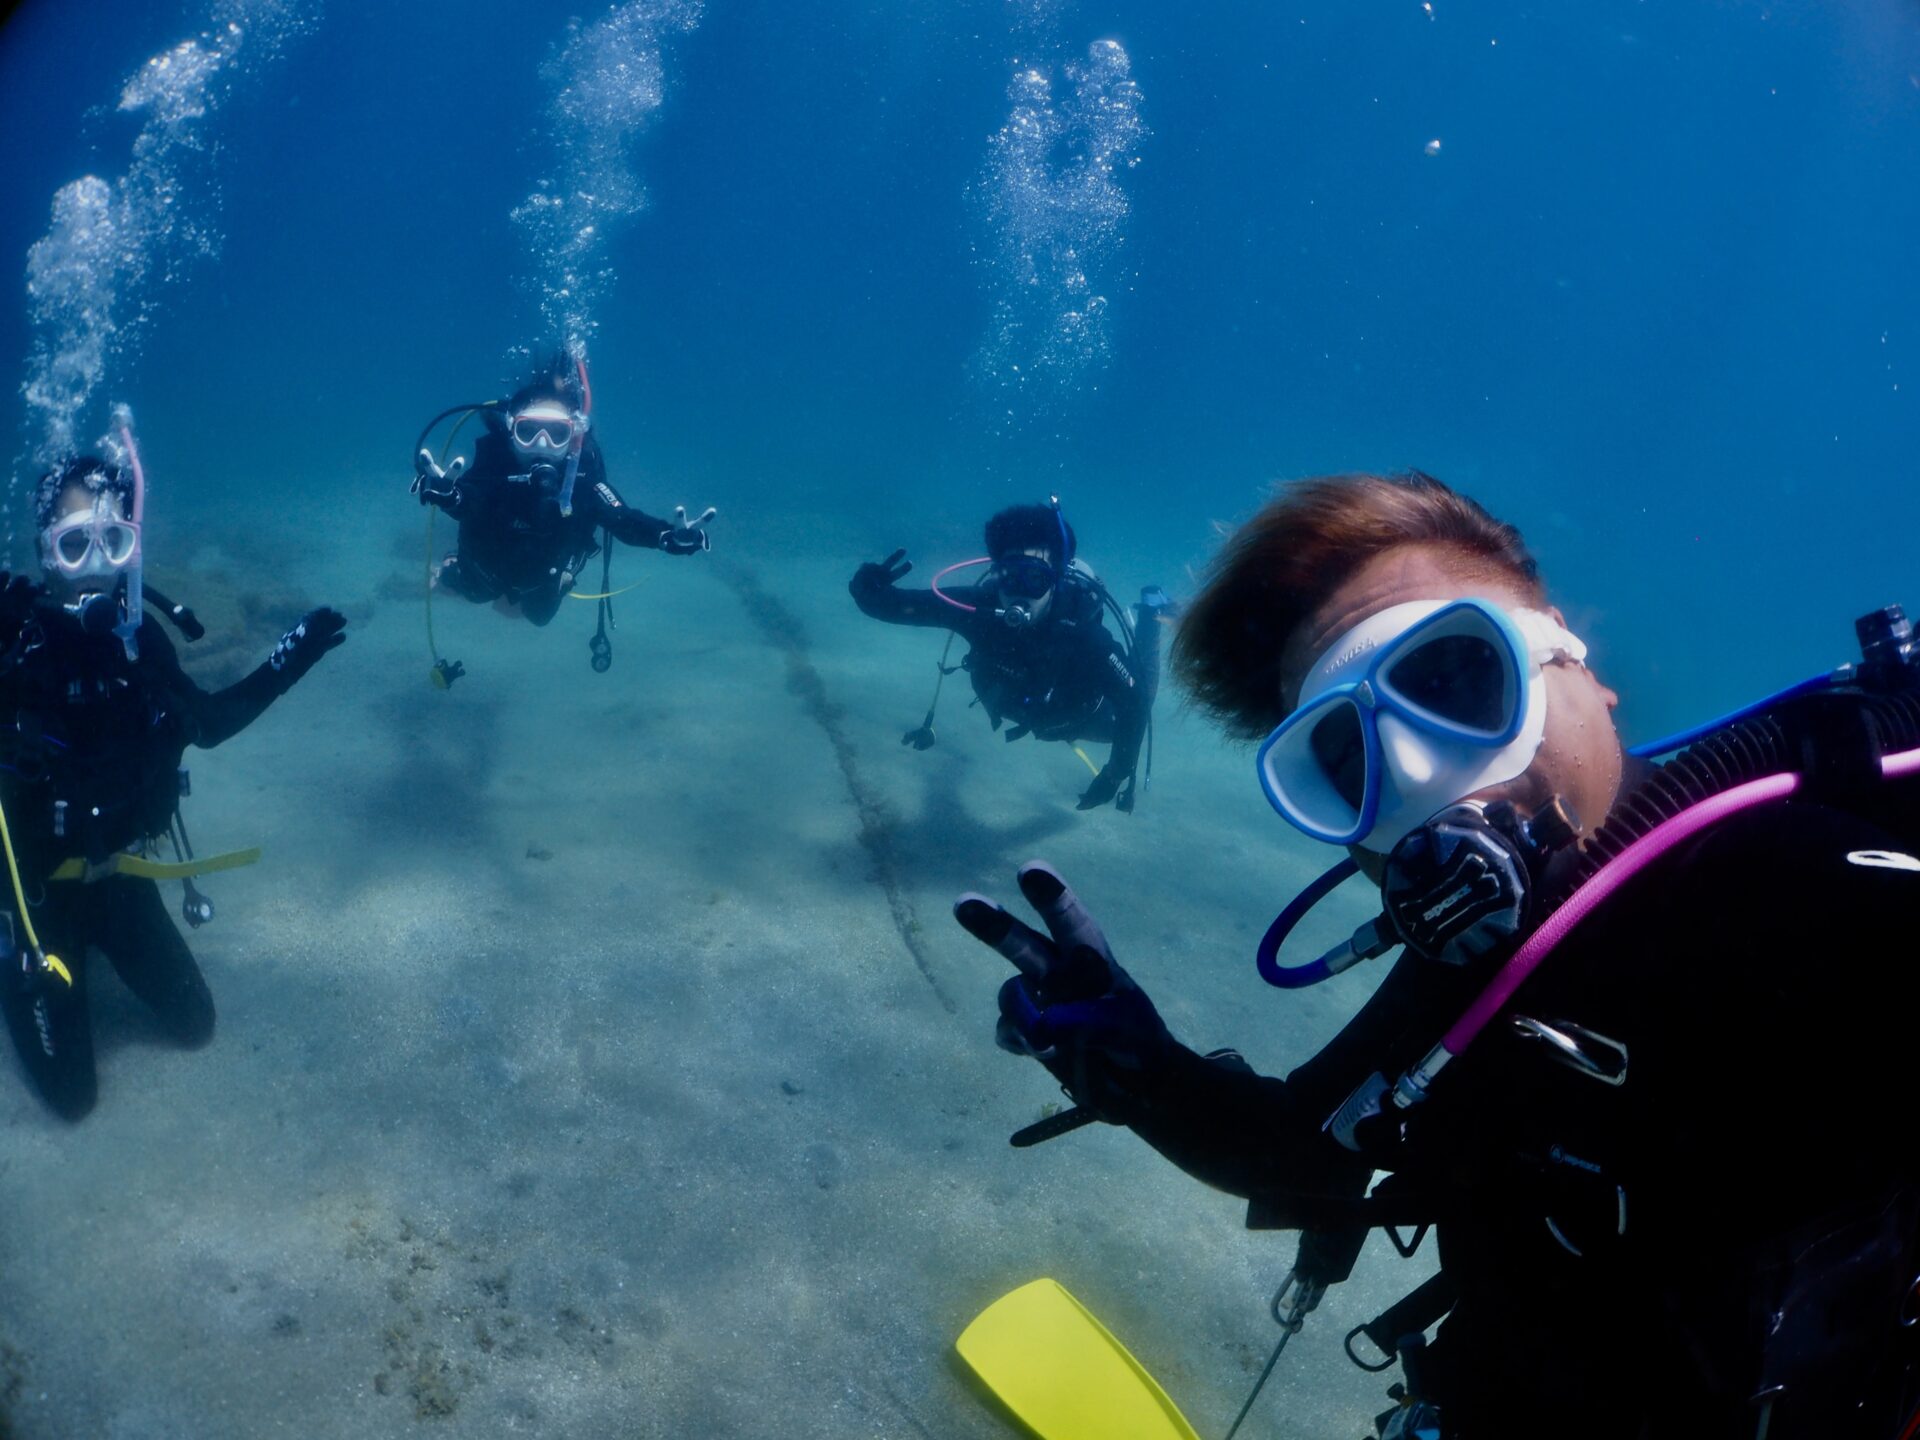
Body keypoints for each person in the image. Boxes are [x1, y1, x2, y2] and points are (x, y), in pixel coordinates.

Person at [953, 471, 1920, 1437]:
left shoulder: (1836, 884)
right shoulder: (1468, 985)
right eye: (1343, 758)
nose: (1416, 773)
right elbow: (1304, 1150)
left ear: (1583, 671)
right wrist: (1141, 1072)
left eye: (1457, 680)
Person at [1, 448, 345, 1121]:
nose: (95, 564)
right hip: (34, 898)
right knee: (73, 1101)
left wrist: (289, 660)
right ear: (46, 555)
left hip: (118, 880)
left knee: (195, 1025)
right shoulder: (14, 650)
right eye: (74, 545)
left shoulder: (143, 645)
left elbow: (208, 725)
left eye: (113, 540)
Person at [849, 501, 1166, 811]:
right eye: (1009, 577)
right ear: (995, 575)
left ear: (1055, 578)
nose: (1018, 593)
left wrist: (1114, 774)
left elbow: (1133, 704)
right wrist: (867, 588)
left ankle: (1151, 617)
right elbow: (894, 605)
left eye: (1034, 579)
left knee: (1143, 696)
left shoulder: (1085, 636)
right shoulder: (979, 610)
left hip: (1083, 718)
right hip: (1016, 705)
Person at [413, 353, 716, 638]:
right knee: (473, 592)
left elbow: (621, 517)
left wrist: (664, 535)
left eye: (556, 434)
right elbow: (472, 496)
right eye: (528, 431)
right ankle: (450, 568)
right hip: (484, 567)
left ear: (573, 437)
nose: (541, 445)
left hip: (545, 576)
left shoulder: (583, 477)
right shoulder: (494, 463)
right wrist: (451, 497)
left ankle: (530, 589)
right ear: (510, 430)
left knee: (538, 617)